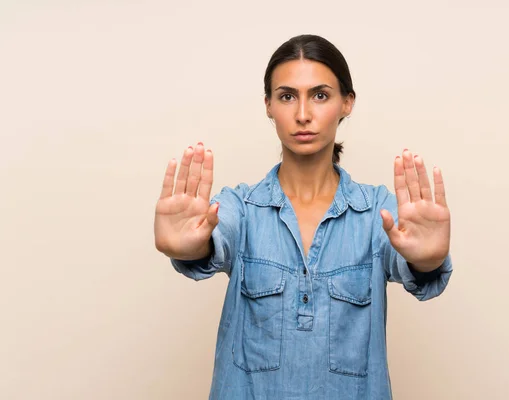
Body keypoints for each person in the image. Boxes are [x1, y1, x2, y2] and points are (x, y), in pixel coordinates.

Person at [154, 34, 453, 400]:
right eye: (286, 96)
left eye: (320, 95)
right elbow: (212, 239)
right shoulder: (240, 208)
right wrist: (190, 248)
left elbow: (411, 256)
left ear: (347, 102)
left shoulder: (379, 212)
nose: (302, 114)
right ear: (268, 105)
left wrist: (428, 259)